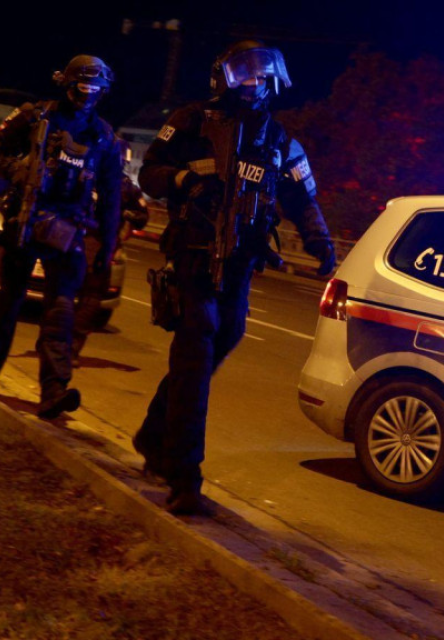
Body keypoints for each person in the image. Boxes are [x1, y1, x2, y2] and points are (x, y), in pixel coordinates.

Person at [132, 40, 336, 515]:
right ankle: (184, 476)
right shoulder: (190, 120)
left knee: (211, 352)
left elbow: (302, 200)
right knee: (195, 355)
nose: (255, 84)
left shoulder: (279, 140)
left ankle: (153, 436)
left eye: (263, 77)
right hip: (193, 258)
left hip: (240, 265)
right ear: (224, 78)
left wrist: (321, 243)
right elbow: (149, 173)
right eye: (246, 75)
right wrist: (182, 180)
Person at [0, 55, 122, 419]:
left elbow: (111, 197)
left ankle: (54, 391)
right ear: (67, 84)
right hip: (26, 219)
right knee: (7, 305)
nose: (88, 95)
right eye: (82, 87)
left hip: (67, 231)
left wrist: (107, 248)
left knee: (61, 312)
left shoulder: (104, 137)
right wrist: (18, 172)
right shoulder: (35, 117)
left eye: (95, 89)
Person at [73, 140, 150, 363]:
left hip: (78, 244)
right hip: (94, 247)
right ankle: (67, 347)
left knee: (69, 296)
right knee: (89, 298)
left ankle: (58, 345)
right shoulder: (122, 186)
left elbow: (141, 218)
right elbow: (141, 217)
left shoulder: (86, 175)